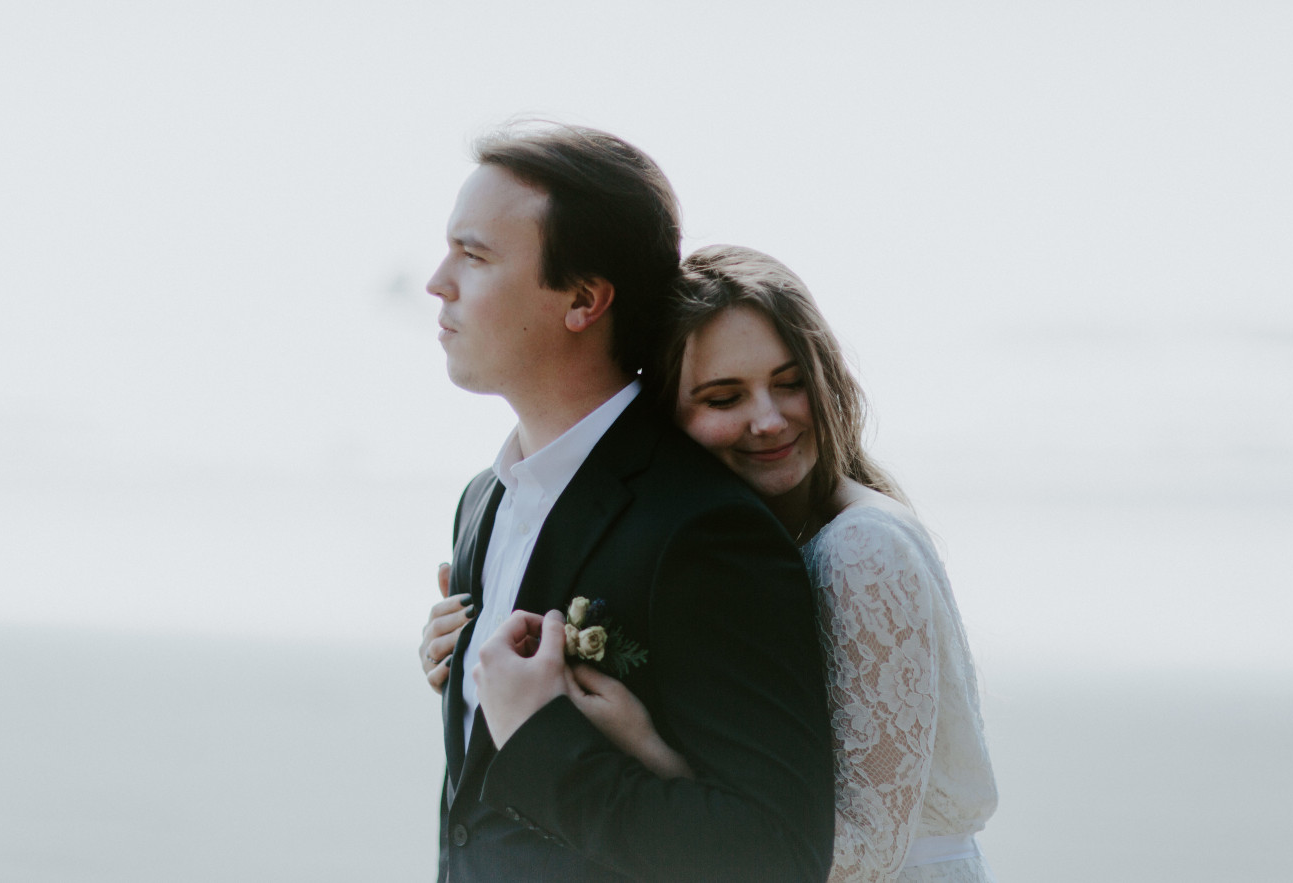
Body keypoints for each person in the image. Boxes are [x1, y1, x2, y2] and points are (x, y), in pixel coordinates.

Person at [423, 244, 1000, 881]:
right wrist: (474, 654)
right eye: (725, 398)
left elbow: (864, 855)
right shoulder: (722, 548)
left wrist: (648, 749)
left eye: (790, 383)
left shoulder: (863, 546)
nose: (769, 419)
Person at [419, 125, 835, 883]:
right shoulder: (483, 501)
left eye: (473, 255)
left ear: (583, 298)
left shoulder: (702, 526)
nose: (437, 281)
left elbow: (776, 853)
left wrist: (538, 734)